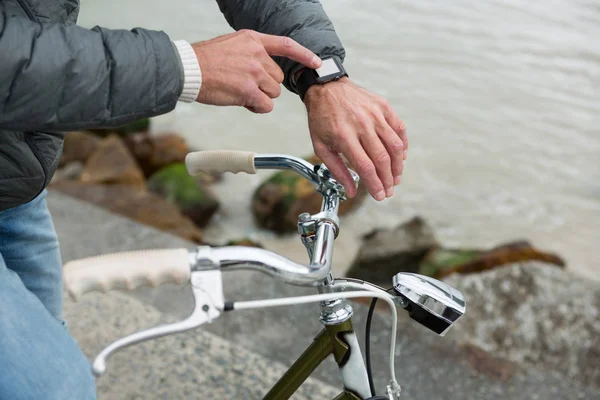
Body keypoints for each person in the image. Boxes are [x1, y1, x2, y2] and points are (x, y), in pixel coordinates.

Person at [0, 0, 408, 398]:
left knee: (47, 341)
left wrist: (323, 77)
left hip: (17, 178)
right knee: (57, 385)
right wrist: (184, 67)